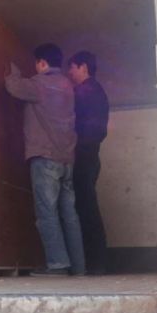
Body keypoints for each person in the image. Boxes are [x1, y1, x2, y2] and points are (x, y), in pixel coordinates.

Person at [5, 43, 85, 276]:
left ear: (41, 63)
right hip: (67, 160)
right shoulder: (68, 86)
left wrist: (12, 68)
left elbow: (14, 87)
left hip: (46, 158)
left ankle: (58, 264)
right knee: (69, 214)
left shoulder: (41, 84)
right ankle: (79, 267)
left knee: (46, 213)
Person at [67, 51, 110, 275]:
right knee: (87, 207)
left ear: (83, 67)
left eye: (72, 68)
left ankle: (94, 263)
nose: (69, 73)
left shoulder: (84, 92)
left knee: (85, 209)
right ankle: (96, 262)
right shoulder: (96, 91)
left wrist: (75, 148)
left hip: (84, 155)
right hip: (91, 155)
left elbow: (81, 127)